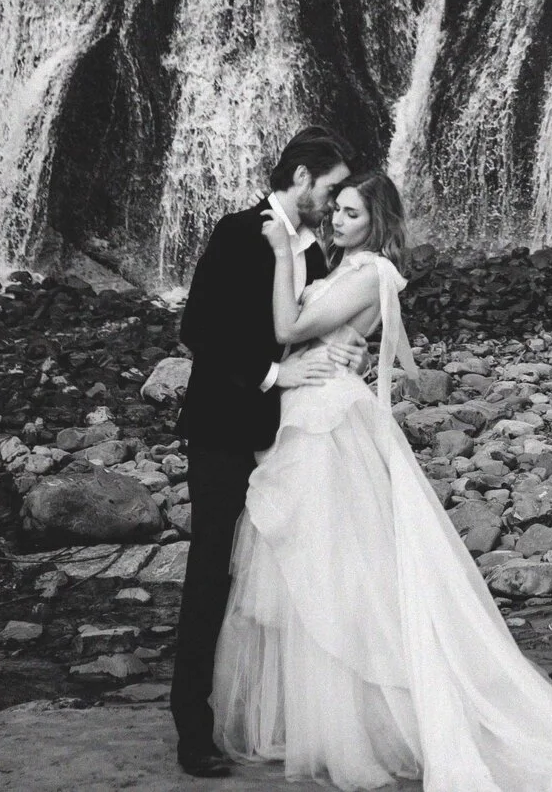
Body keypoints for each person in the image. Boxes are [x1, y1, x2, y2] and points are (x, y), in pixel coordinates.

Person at [212, 171, 552, 791]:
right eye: (337, 211)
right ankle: (324, 722)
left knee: (343, 570)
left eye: (351, 213)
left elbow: (290, 327)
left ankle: (366, 723)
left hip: (328, 421)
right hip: (308, 407)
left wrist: (275, 255)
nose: (338, 221)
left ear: (377, 222)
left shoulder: (372, 272)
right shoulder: (338, 266)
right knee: (315, 568)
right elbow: (290, 332)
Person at [171, 125, 361, 780]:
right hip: (225, 428)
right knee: (213, 571)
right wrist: (274, 376)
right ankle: (192, 728)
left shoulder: (319, 251)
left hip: (290, 435)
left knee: (285, 575)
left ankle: (270, 715)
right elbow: (198, 328)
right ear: (301, 178)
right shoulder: (234, 231)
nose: (337, 200)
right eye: (331, 187)